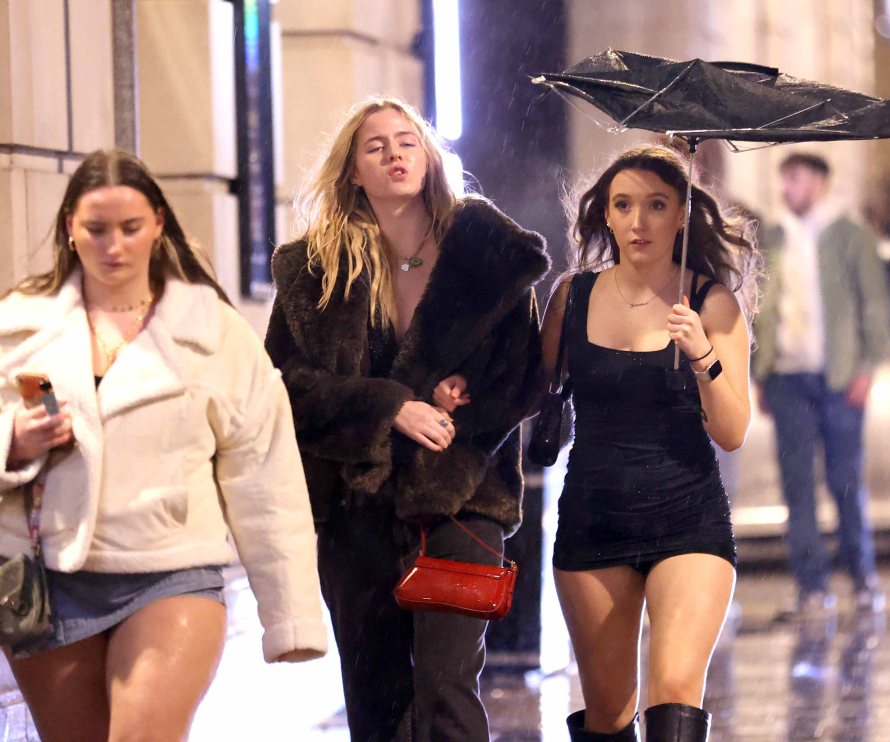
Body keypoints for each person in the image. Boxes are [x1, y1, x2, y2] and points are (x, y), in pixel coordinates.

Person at [0, 149, 328, 742]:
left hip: (172, 570)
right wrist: (13, 444)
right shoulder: (20, 327)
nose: (114, 247)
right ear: (70, 228)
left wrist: (291, 614)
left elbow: (265, 474)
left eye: (130, 228)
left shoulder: (211, 331)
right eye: (96, 230)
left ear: (158, 222)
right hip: (51, 576)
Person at [265, 97, 549, 741]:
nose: (394, 154)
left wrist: (465, 398)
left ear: (429, 158)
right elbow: (285, 386)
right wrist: (389, 405)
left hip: (461, 496)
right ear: (353, 173)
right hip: (354, 506)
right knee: (376, 699)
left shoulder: (484, 252)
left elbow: (525, 373)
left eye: (406, 141)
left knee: (447, 689)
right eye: (375, 147)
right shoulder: (314, 272)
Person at [541, 145, 759, 742]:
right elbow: (529, 393)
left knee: (675, 693)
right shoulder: (572, 296)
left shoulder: (712, 302)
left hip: (689, 517)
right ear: (606, 215)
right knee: (609, 714)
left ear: (682, 215)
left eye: (657, 205)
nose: (639, 222)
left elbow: (733, 431)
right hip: (594, 519)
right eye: (624, 205)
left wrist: (702, 354)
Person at [753, 152, 890, 619]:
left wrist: (867, 367)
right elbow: (761, 310)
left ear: (819, 182)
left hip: (838, 379)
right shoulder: (772, 238)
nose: (787, 188)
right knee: (797, 487)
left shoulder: (850, 235)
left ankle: (862, 578)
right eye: (784, 179)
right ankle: (811, 587)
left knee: (845, 482)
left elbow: (874, 305)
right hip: (787, 379)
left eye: (795, 179)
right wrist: (762, 372)